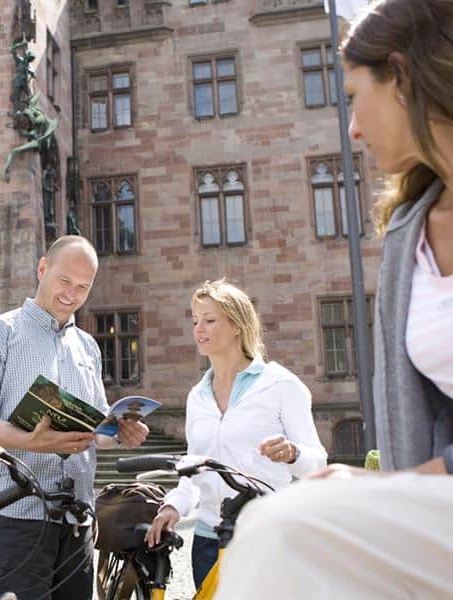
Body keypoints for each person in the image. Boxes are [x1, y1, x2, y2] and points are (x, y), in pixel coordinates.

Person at [215, 2, 453, 597]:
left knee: (279, 532)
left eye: (353, 96)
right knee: (273, 531)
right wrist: (395, 484)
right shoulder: (411, 230)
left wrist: (399, 486)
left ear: (400, 77)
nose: (351, 129)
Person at [0, 235, 149, 600]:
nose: (71, 294)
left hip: (76, 518)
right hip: (15, 513)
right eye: (65, 281)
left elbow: (96, 433)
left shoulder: (88, 347)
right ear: (42, 268)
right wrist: (30, 441)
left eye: (83, 287)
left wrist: (120, 432)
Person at [144, 279, 327, 591]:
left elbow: (318, 463)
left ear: (237, 325)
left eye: (210, 320)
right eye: (195, 321)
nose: (199, 329)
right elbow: (193, 472)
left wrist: (292, 453)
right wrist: (173, 506)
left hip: (264, 535)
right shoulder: (197, 396)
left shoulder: (281, 385)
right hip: (208, 541)